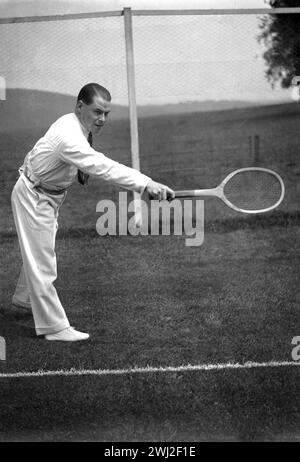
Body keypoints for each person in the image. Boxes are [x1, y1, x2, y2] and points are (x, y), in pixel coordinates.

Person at [11, 83, 175, 342]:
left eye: (106, 114)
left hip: (46, 195)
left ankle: (25, 298)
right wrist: (146, 184)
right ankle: (54, 328)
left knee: (39, 249)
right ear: (79, 106)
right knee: (43, 261)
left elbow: (85, 158)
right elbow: (103, 166)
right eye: (97, 112)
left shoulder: (74, 124)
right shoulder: (69, 136)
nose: (102, 119)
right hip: (35, 195)